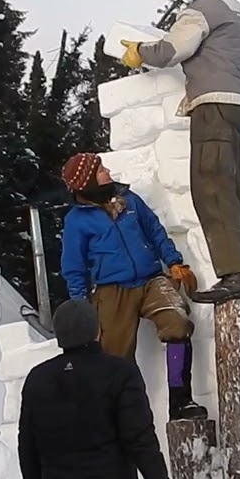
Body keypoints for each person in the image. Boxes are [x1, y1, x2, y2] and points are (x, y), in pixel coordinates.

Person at [117, 0, 240, 304]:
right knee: (233, 191)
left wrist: (140, 52)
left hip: (214, 105)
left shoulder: (204, 9)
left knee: (211, 186)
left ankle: (236, 274)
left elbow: (174, 48)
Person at [59, 151, 208, 421]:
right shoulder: (76, 221)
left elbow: (154, 230)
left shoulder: (129, 200)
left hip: (152, 279)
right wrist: (81, 309)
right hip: (111, 290)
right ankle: (130, 415)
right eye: (100, 169)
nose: (107, 171)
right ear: (88, 182)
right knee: (115, 355)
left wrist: (174, 262)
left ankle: (180, 402)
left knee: (177, 323)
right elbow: (74, 267)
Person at [19, 299, 177, 479]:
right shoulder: (120, 373)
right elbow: (140, 439)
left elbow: (27, 444)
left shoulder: (38, 379)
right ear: (97, 331)